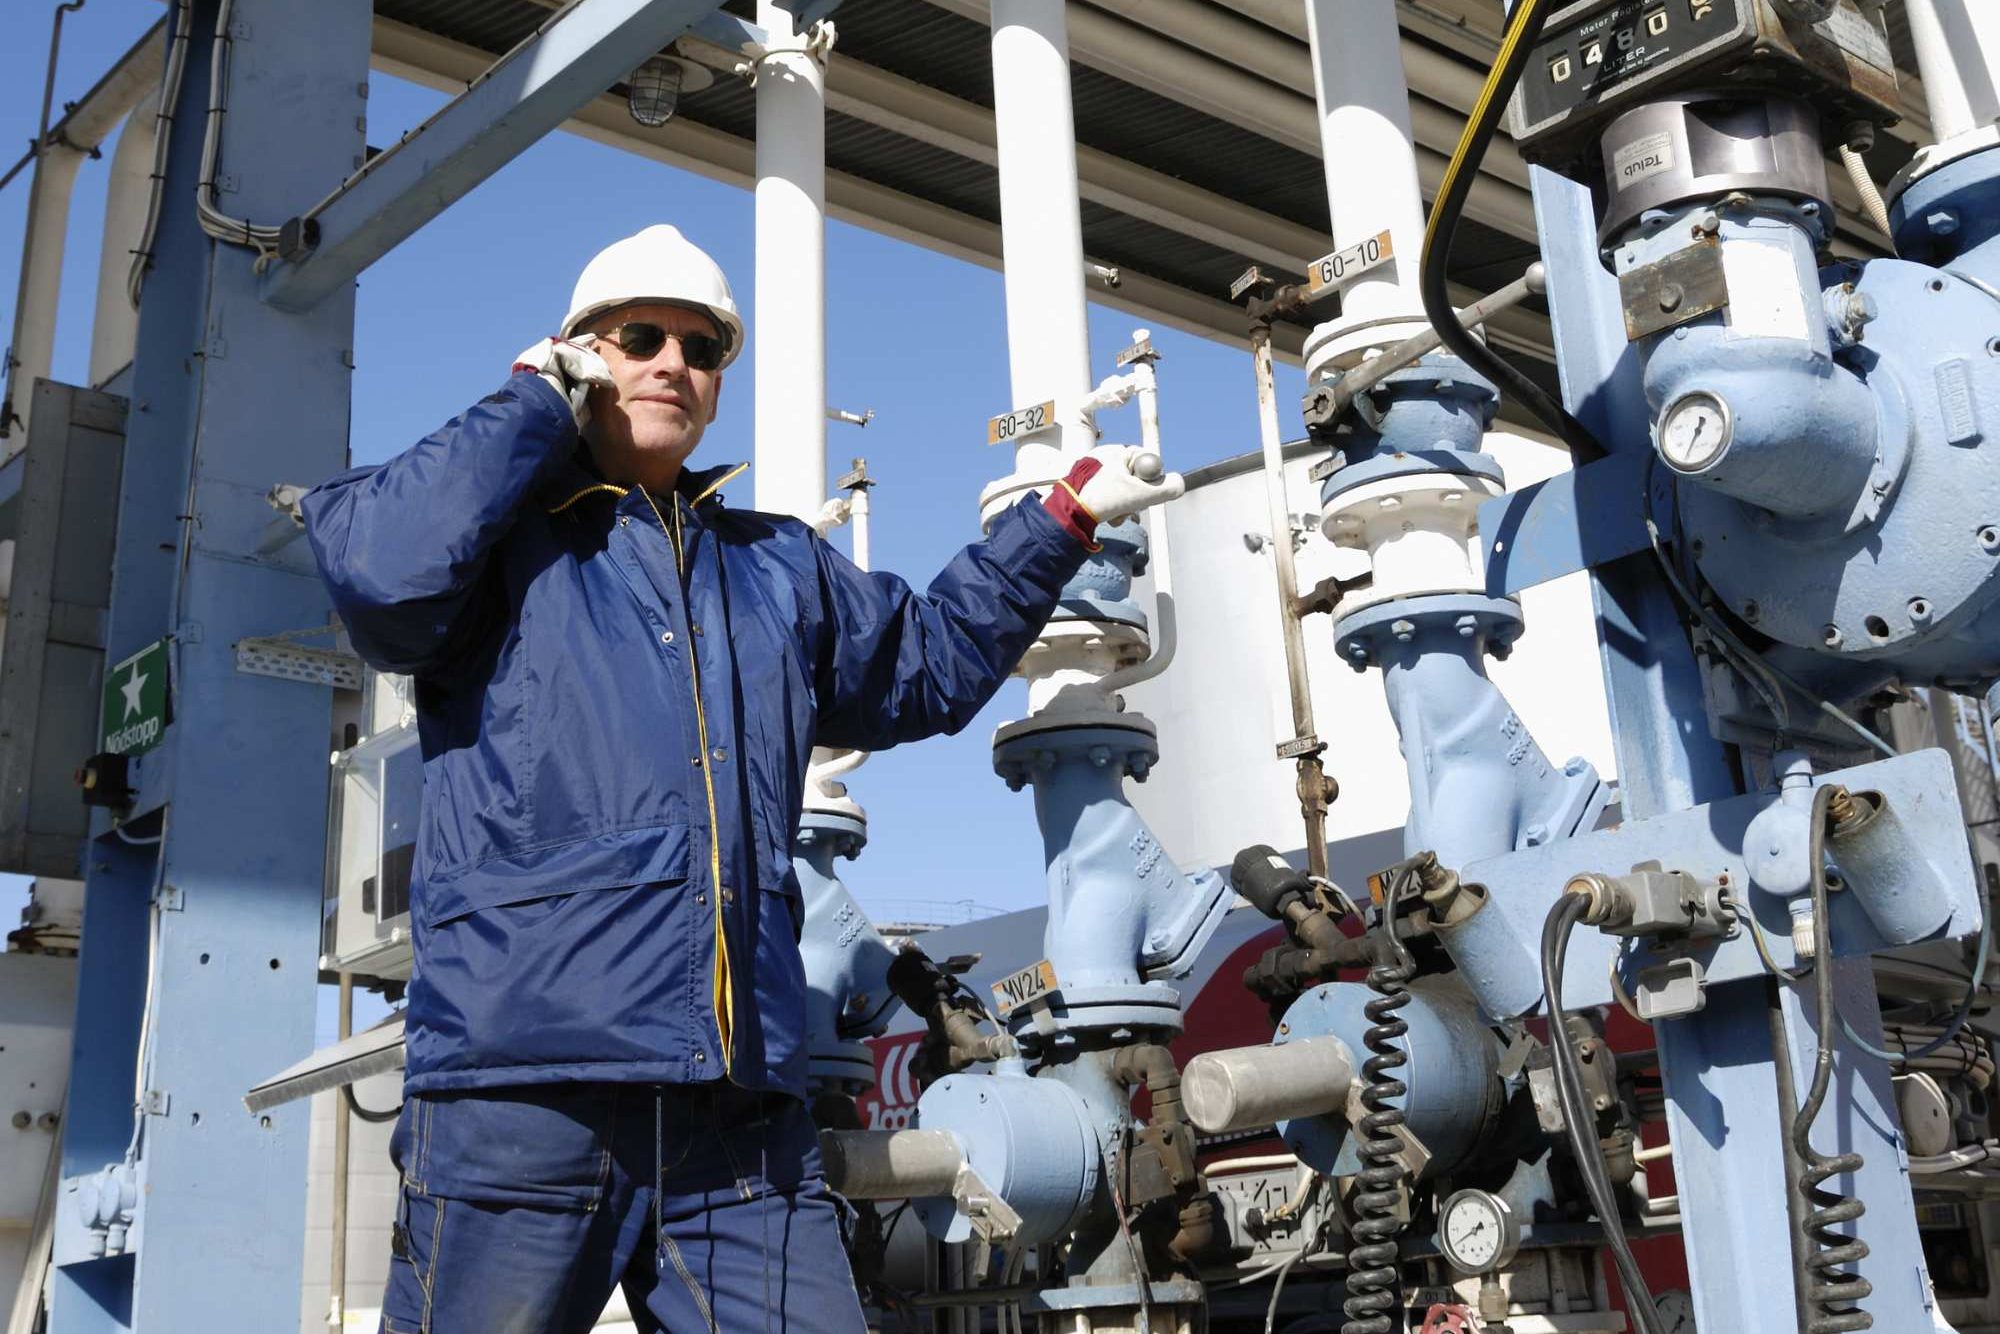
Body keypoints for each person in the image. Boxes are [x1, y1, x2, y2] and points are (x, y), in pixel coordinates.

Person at [300, 224, 1181, 1334]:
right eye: (639, 335)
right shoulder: (495, 543)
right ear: (577, 353)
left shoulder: (774, 566)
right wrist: (527, 407)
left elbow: (926, 667)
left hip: (732, 1110)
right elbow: (379, 576)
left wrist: (1056, 521)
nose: (673, 360)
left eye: (703, 346)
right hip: (522, 1095)